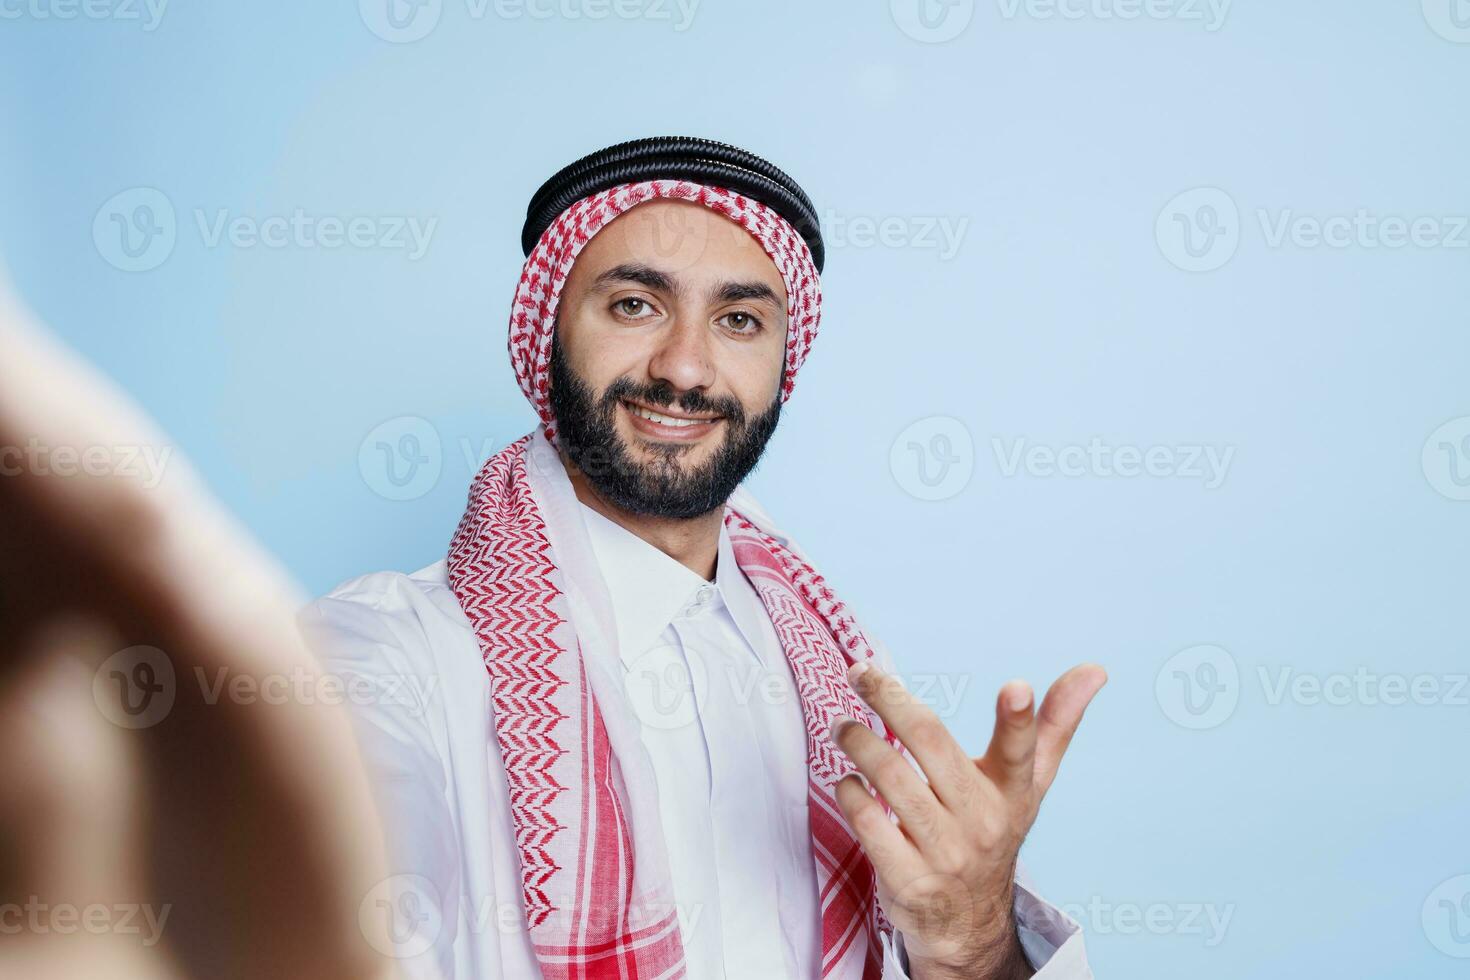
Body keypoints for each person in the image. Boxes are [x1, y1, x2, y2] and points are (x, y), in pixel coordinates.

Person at [302, 137, 1107, 979]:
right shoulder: (375, 661)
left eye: (738, 321)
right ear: (546, 336)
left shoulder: (841, 679)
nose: (684, 368)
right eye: (634, 306)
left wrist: (973, 939)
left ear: (780, 367)